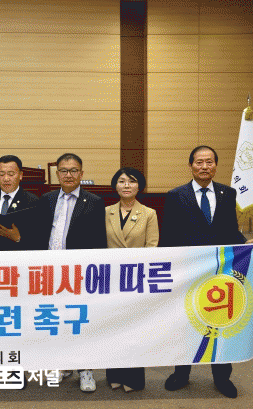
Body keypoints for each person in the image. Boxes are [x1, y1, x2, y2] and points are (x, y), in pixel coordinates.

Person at [161, 145, 253, 399]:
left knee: (221, 322)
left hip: (219, 271)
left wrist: (246, 243)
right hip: (188, 271)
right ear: (190, 165)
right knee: (186, 322)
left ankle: (222, 377)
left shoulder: (227, 193)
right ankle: (181, 374)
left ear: (216, 166)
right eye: (199, 162)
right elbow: (169, 235)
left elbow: (230, 230)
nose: (204, 167)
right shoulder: (175, 195)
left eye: (209, 162)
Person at [35, 153, 107, 392]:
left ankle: (85, 370)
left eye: (74, 170)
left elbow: (99, 241)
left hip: (79, 274)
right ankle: (62, 364)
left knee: (80, 321)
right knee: (57, 320)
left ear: (81, 174)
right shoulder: (46, 199)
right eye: (64, 170)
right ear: (57, 174)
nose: (68, 175)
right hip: (50, 272)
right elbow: (39, 235)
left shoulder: (94, 202)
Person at [104, 167, 158, 392]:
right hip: (109, 279)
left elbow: (152, 247)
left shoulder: (149, 213)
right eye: (122, 181)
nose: (126, 185)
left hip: (136, 279)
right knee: (113, 328)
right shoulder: (105, 211)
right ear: (115, 185)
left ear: (139, 186)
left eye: (132, 181)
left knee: (134, 329)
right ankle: (114, 374)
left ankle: (133, 379)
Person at [0, 155, 39, 250]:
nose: (6, 179)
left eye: (11, 174)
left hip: (18, 256)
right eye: (1, 174)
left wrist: (18, 238)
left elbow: (38, 238)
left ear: (20, 175)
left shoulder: (33, 202)